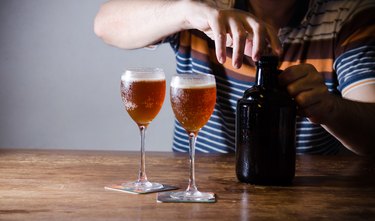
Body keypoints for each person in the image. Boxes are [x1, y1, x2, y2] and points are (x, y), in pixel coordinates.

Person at [94, 0, 375, 156]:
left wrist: (329, 108)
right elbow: (105, 24)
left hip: (304, 192)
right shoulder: (207, 4)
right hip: (195, 188)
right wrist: (184, 13)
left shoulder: (349, 13)